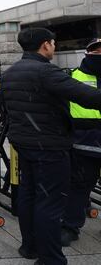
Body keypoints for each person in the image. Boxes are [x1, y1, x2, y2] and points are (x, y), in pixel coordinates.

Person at [0, 28, 101, 265]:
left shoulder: (10, 73)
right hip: (50, 147)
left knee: (29, 195)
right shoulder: (46, 72)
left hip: (24, 143)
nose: (54, 48)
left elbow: (3, 106)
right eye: (53, 43)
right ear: (45, 45)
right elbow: (88, 97)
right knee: (50, 203)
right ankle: (51, 259)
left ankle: (30, 246)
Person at [61, 38, 101, 246]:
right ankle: (70, 226)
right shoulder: (72, 77)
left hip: (84, 142)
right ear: (87, 53)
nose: (99, 54)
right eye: (96, 51)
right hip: (83, 144)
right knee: (79, 187)